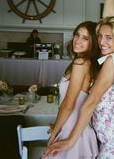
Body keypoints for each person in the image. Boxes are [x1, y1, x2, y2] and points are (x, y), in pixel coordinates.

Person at [43, 0, 114, 159]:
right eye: (100, 36)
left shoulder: (112, 62)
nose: (101, 41)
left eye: (108, 38)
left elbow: (89, 104)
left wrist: (70, 140)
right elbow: (108, 22)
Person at [42, 21, 100, 159]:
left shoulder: (81, 63)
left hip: (71, 128)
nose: (78, 41)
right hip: (74, 126)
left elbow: (68, 105)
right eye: (77, 35)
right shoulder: (86, 62)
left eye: (85, 38)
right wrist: (57, 125)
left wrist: (54, 133)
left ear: (93, 43)